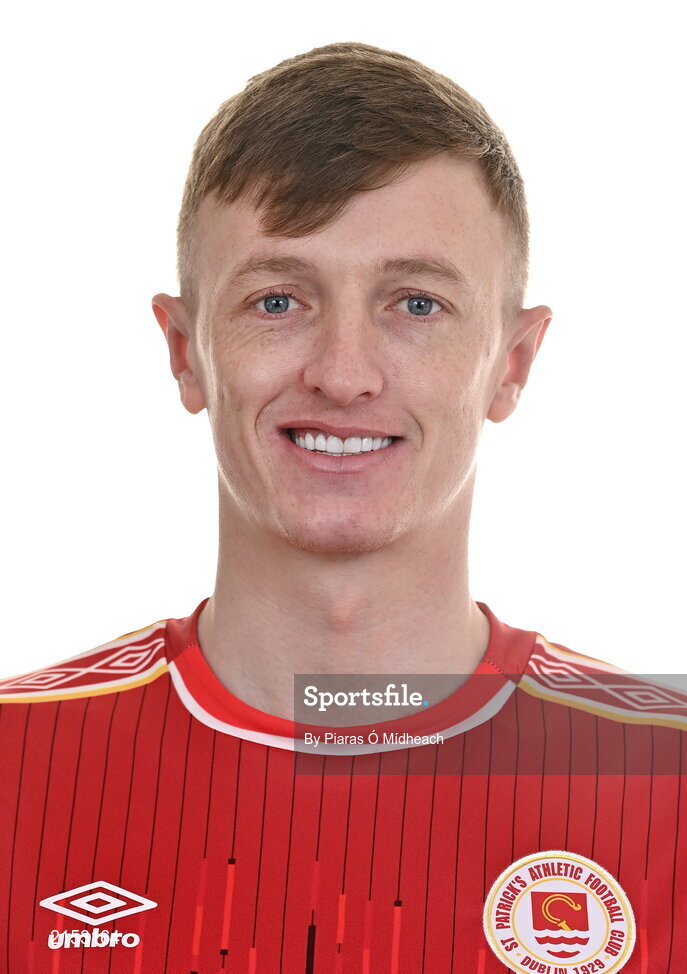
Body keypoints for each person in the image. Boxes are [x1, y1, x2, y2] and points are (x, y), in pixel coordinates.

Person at [0, 41, 684, 974]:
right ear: (183, 349)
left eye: (417, 303)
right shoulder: (13, 766)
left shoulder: (667, 783)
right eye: (278, 300)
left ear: (512, 363)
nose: (343, 374)